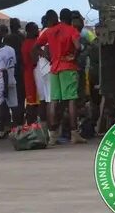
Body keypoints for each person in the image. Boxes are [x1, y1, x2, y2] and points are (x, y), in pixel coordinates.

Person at [34, 10, 86, 145]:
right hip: (68, 67)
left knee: (53, 101)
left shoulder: (49, 31)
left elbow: (36, 46)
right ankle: (74, 133)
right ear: (69, 19)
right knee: (71, 100)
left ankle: (52, 135)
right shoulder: (71, 30)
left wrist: (48, 57)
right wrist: (74, 55)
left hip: (54, 68)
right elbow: (78, 46)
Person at [0, 33, 19, 138]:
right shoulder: (11, 49)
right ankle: (16, 128)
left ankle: (1, 130)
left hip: (2, 82)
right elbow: (13, 65)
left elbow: (4, 72)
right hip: (12, 79)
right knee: (14, 105)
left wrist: (5, 88)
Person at [21, 22, 41, 125]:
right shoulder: (31, 43)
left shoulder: (27, 42)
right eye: (36, 29)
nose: (38, 31)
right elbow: (34, 60)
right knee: (32, 103)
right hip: (32, 76)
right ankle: (31, 126)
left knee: (34, 103)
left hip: (30, 75)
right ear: (30, 31)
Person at [8, 18, 26, 125]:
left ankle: (15, 122)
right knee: (20, 98)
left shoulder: (8, 38)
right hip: (20, 70)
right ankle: (20, 121)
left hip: (11, 71)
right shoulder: (22, 37)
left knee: (12, 98)